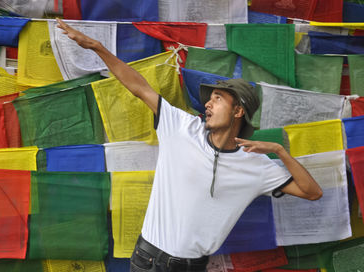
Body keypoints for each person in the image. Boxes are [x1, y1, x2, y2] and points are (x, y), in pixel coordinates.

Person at [56, 18, 323, 272]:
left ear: (238, 111)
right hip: (148, 259)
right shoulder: (182, 128)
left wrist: (279, 151)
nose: (207, 103)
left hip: (194, 266)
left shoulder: (257, 164)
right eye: (210, 99)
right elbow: (140, 87)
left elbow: (312, 192)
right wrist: (98, 48)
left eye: (217, 99)